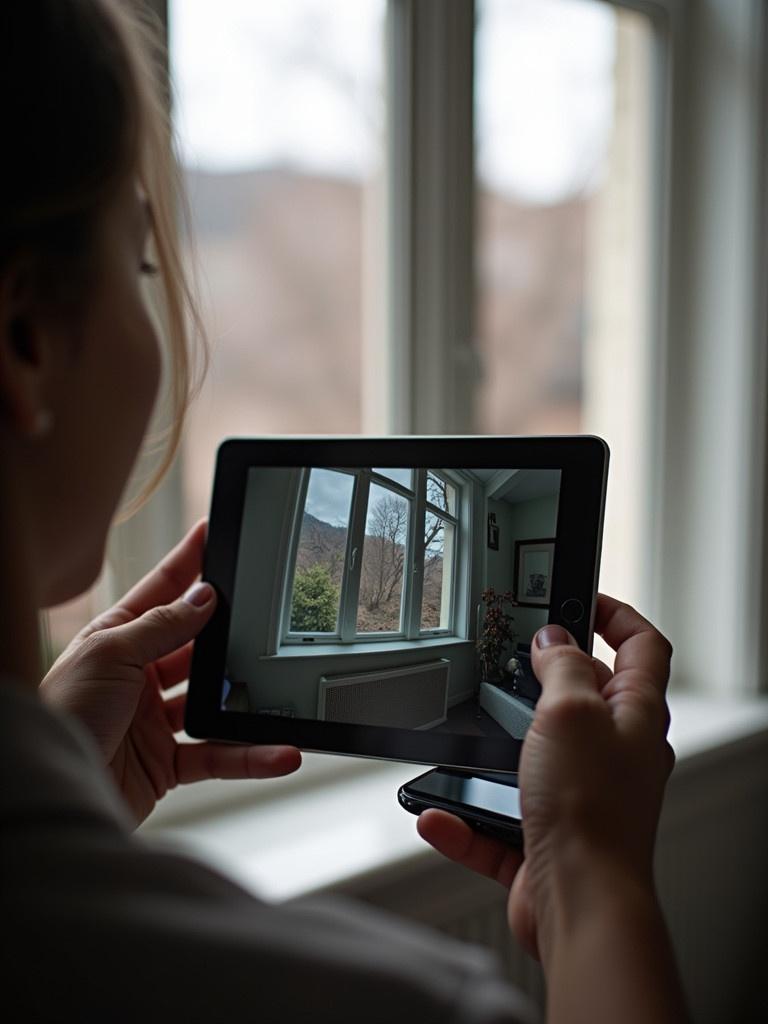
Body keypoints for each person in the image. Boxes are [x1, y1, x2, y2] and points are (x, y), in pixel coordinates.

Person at [0, 2, 688, 1021]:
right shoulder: (385, 1003)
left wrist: (68, 786)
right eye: (141, 263)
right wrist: (595, 883)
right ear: (27, 341)